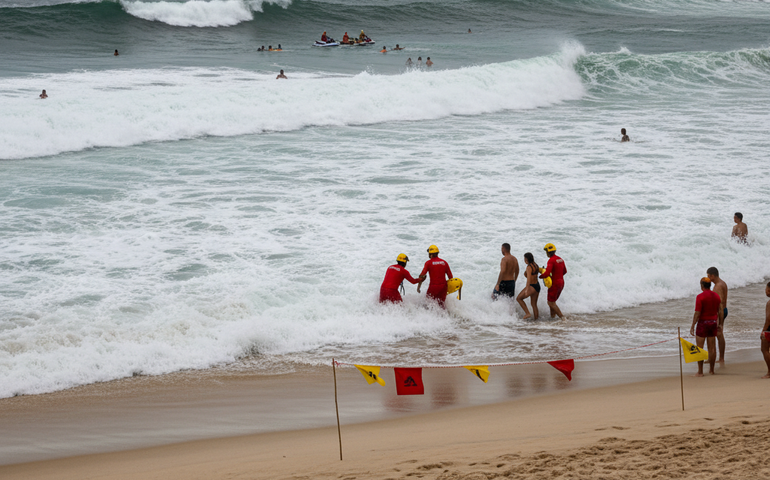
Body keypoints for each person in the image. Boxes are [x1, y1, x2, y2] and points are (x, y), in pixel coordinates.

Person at [690, 277, 723, 376]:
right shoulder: (716, 296)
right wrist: (720, 323)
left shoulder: (700, 297)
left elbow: (697, 313)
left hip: (703, 323)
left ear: (702, 286)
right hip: (713, 322)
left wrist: (692, 325)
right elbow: (720, 311)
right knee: (712, 348)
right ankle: (712, 370)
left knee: (700, 347)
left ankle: (700, 371)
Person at [707, 267, 728, 363]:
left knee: (718, 334)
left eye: (708, 276)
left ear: (712, 275)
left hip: (720, 312)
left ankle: (719, 358)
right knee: (719, 334)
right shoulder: (722, 283)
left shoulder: (718, 286)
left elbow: (720, 304)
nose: (708, 279)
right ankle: (720, 358)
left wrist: (720, 321)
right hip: (723, 311)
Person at [539, 243, 566, 319]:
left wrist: (540, 276)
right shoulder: (561, 259)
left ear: (548, 252)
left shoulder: (551, 260)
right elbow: (564, 271)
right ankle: (552, 318)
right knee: (552, 302)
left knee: (550, 302)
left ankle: (563, 318)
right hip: (561, 282)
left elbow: (547, 273)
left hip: (554, 284)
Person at [516, 253, 540, 320]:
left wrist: (527, 289)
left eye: (524, 258)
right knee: (534, 304)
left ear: (526, 259)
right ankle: (536, 320)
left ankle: (527, 313)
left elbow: (528, 279)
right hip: (537, 286)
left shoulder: (529, 267)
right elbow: (530, 275)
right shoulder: (536, 265)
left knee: (519, 298)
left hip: (531, 286)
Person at [760, 282, 770, 378]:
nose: (765, 291)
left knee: (764, 349)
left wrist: (763, 331)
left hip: (769, 330)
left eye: (766, 289)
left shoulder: (769, 303)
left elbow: (768, 319)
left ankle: (769, 372)